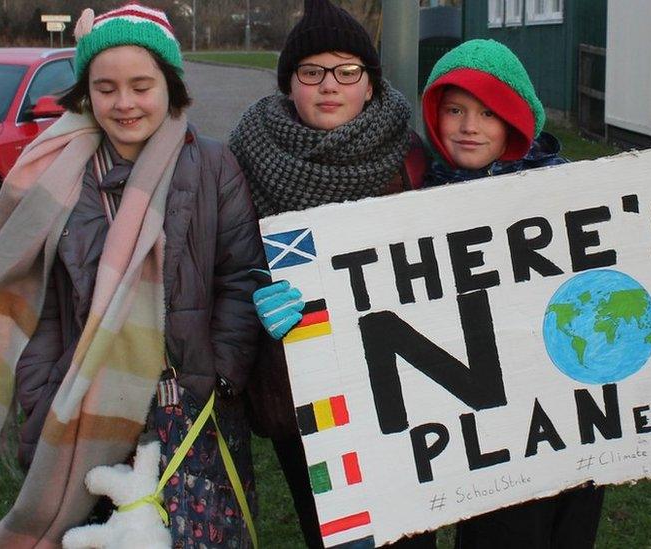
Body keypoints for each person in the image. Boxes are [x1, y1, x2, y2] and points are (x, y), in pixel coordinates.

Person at [419, 39, 651, 548]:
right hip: (489, 440)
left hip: (581, 421)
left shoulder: (575, 194)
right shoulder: (414, 204)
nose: (470, 126)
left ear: (516, 121)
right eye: (455, 110)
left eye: (489, 113)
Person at [0, 4, 263, 547]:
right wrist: (41, 396)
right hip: (83, 412)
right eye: (106, 88)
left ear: (171, 86)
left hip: (188, 408)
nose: (124, 103)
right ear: (87, 92)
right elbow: (42, 304)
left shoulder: (215, 167)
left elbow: (240, 277)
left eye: (141, 85)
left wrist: (218, 378)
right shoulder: (56, 175)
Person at [228, 0, 430, 547]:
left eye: (347, 71)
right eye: (311, 72)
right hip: (305, 399)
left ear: (369, 83)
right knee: (334, 534)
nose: (329, 85)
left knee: (412, 532)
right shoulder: (244, 159)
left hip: (408, 390)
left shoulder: (410, 158)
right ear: (289, 83)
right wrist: (256, 297)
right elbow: (225, 261)